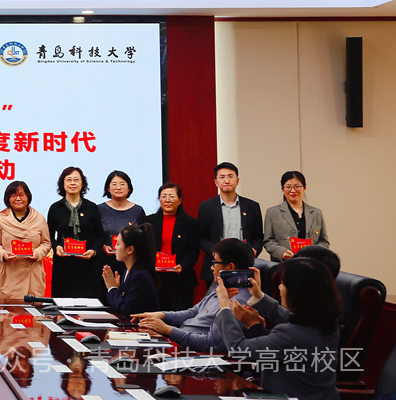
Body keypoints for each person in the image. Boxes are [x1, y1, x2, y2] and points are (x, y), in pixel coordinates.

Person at [214, 258, 342, 400]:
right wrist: (258, 296)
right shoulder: (327, 323)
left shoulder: (290, 335)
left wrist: (224, 305)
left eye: (283, 284)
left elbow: (238, 348)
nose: (279, 287)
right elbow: (289, 318)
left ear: (297, 292)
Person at [132, 237, 253, 352]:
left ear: (230, 266)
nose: (212, 267)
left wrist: (167, 330)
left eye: (215, 262)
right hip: (180, 344)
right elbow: (192, 313)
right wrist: (160, 315)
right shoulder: (222, 289)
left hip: (195, 354)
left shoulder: (239, 303)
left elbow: (211, 344)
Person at [197, 162, 263, 283]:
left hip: (244, 264)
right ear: (216, 182)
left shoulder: (252, 206)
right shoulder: (206, 206)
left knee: (244, 295)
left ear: (237, 181)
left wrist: (253, 249)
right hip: (216, 265)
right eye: (222, 177)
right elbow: (202, 238)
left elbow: (258, 236)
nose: (227, 180)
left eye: (230, 176)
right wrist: (216, 252)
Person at [46, 166, 104, 298]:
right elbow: (48, 235)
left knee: (89, 303)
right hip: (64, 264)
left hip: (88, 264)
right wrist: (57, 247)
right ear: (63, 184)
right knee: (64, 302)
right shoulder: (55, 208)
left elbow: (100, 236)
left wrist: (93, 250)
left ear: (82, 184)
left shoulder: (92, 207)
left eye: (76, 180)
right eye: (69, 180)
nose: (73, 183)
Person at [0, 180, 52, 302]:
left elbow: (46, 243)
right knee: (11, 311)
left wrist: (37, 253)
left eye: (22, 195)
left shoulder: (39, 218)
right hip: (10, 275)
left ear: (28, 197)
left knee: (33, 311)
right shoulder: (0, 218)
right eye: (14, 195)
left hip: (33, 275)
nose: (18, 199)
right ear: (8, 198)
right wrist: (3, 254)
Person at [145, 182, 200, 310]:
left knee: (180, 314)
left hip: (181, 278)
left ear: (180, 200)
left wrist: (182, 266)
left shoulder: (189, 223)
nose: (167, 200)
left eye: (171, 196)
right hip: (155, 277)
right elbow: (143, 247)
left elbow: (194, 250)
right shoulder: (149, 221)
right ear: (159, 199)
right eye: (164, 196)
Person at [263, 171, 329, 262]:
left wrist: (313, 252)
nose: (293, 190)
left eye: (297, 186)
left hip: (311, 264)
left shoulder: (316, 213)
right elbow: (268, 241)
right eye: (288, 187)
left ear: (304, 188)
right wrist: (282, 252)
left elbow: (324, 241)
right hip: (283, 264)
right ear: (283, 189)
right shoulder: (273, 212)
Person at [102, 224, 159, 316]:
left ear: (130, 249)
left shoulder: (140, 275)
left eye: (118, 244)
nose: (115, 247)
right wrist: (117, 289)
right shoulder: (128, 271)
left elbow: (128, 311)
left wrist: (112, 289)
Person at [98, 171, 146, 275]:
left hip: (131, 265)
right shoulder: (99, 209)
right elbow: (93, 235)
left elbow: (144, 238)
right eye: (114, 184)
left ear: (129, 188)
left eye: (122, 184)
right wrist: (102, 246)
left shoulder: (138, 211)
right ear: (108, 189)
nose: (118, 188)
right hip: (105, 264)